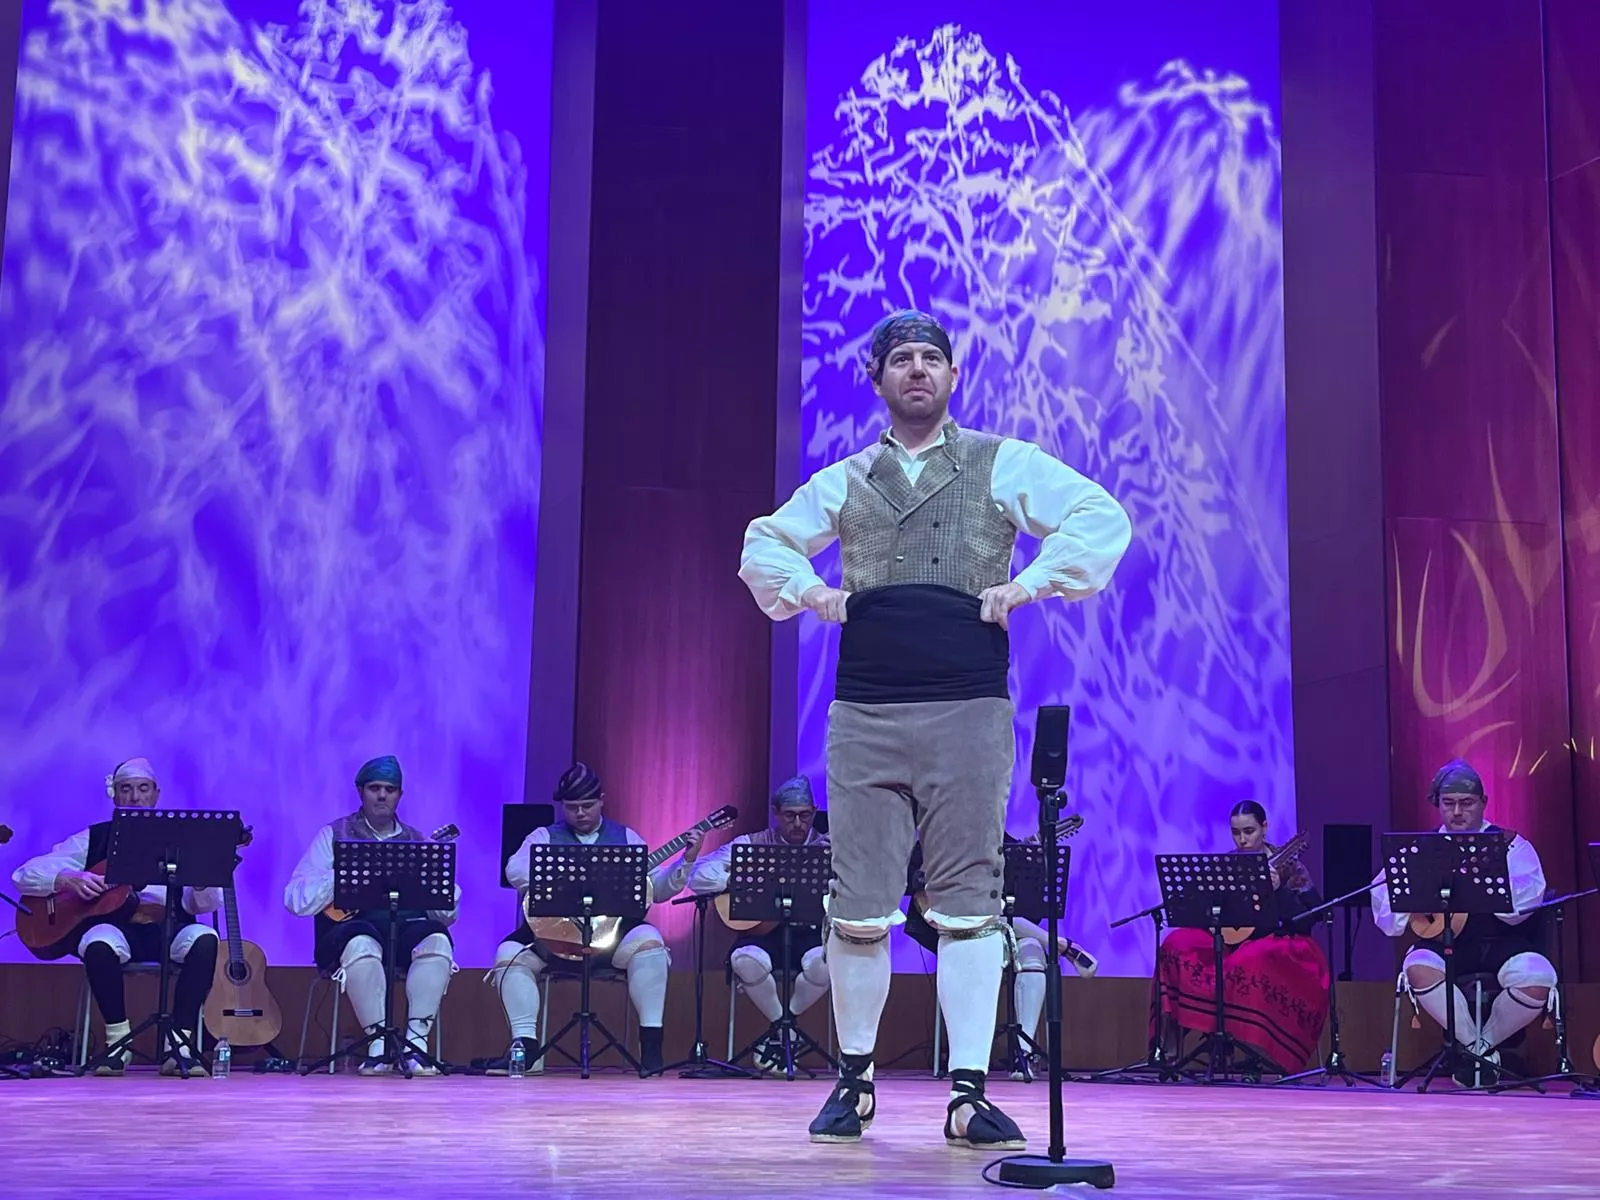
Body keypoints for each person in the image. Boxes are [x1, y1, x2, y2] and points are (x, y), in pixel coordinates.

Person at [738, 308, 1131, 1148]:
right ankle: (854, 1082)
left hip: (968, 706)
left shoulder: (999, 463)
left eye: (932, 359)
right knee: (860, 908)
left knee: (968, 906)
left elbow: (1100, 518)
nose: (918, 370)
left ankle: (967, 1093)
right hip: (868, 709)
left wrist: (1028, 586)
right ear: (878, 380)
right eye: (902, 360)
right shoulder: (847, 478)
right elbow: (765, 542)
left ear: (953, 377)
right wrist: (815, 594)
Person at [488, 762, 702, 1078]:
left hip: (612, 938)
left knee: (652, 945)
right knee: (508, 955)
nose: (580, 814)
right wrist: (569, 872)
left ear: (602, 800)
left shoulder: (626, 837)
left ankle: (651, 1045)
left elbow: (657, 890)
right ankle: (527, 1048)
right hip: (555, 934)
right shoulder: (544, 836)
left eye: (588, 806)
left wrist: (687, 860)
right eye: (572, 807)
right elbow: (515, 870)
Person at [12, 757, 221, 1076]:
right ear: (115, 795)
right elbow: (24, 874)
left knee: (206, 939)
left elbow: (202, 904)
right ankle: (117, 1044)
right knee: (96, 942)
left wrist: (202, 879)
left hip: (169, 929)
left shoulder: (180, 838)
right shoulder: (94, 838)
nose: (135, 797)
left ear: (156, 794)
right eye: (126, 789)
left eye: (143, 789)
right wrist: (67, 878)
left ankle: (178, 1046)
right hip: (118, 930)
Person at [1370, 759, 1554, 1083]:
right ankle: (1477, 1049)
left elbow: (1529, 897)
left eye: (1466, 803)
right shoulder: (1418, 849)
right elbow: (1386, 902)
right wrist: (1410, 904)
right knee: (1417, 967)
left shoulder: (1510, 845)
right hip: (1441, 944)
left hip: (1500, 943)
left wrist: (1485, 886)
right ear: (1438, 805)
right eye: (1448, 803)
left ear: (1483, 803)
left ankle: (1477, 1051)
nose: (1457, 812)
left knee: (1538, 976)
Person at [284, 754, 460, 1076]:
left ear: (399, 795)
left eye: (390, 789)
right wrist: (347, 873)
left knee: (436, 937)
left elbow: (448, 913)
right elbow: (295, 899)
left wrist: (436, 875)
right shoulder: (333, 834)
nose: (382, 795)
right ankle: (377, 1046)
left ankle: (416, 1047)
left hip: (402, 933)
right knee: (362, 940)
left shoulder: (417, 841)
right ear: (360, 792)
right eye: (374, 788)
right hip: (346, 933)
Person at [902, 835, 1098, 1080]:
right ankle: (1062, 945)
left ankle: (1023, 1056)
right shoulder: (933, 837)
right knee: (985, 920)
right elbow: (912, 884)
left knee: (1033, 955)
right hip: (956, 929)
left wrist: (1033, 858)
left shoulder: (1000, 839)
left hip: (1004, 930)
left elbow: (1026, 903)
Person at [1153, 801, 1329, 1073]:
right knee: (1175, 944)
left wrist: (1278, 889)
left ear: (1265, 828)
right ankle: (1168, 1051)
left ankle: (1245, 1049)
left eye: (1249, 831)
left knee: (1244, 961)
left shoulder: (1289, 866)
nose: (1243, 840)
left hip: (1277, 938)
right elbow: (1206, 911)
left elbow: (1309, 917)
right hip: (1231, 939)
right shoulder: (1229, 863)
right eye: (1236, 833)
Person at [687, 774, 831, 1074]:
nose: (797, 823)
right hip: (762, 932)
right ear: (776, 813)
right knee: (745, 960)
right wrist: (740, 879)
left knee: (826, 964)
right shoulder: (750, 844)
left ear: (814, 813)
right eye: (789, 816)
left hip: (808, 933)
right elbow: (698, 874)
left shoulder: (829, 849)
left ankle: (780, 1028)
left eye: (805, 816)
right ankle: (786, 1033)